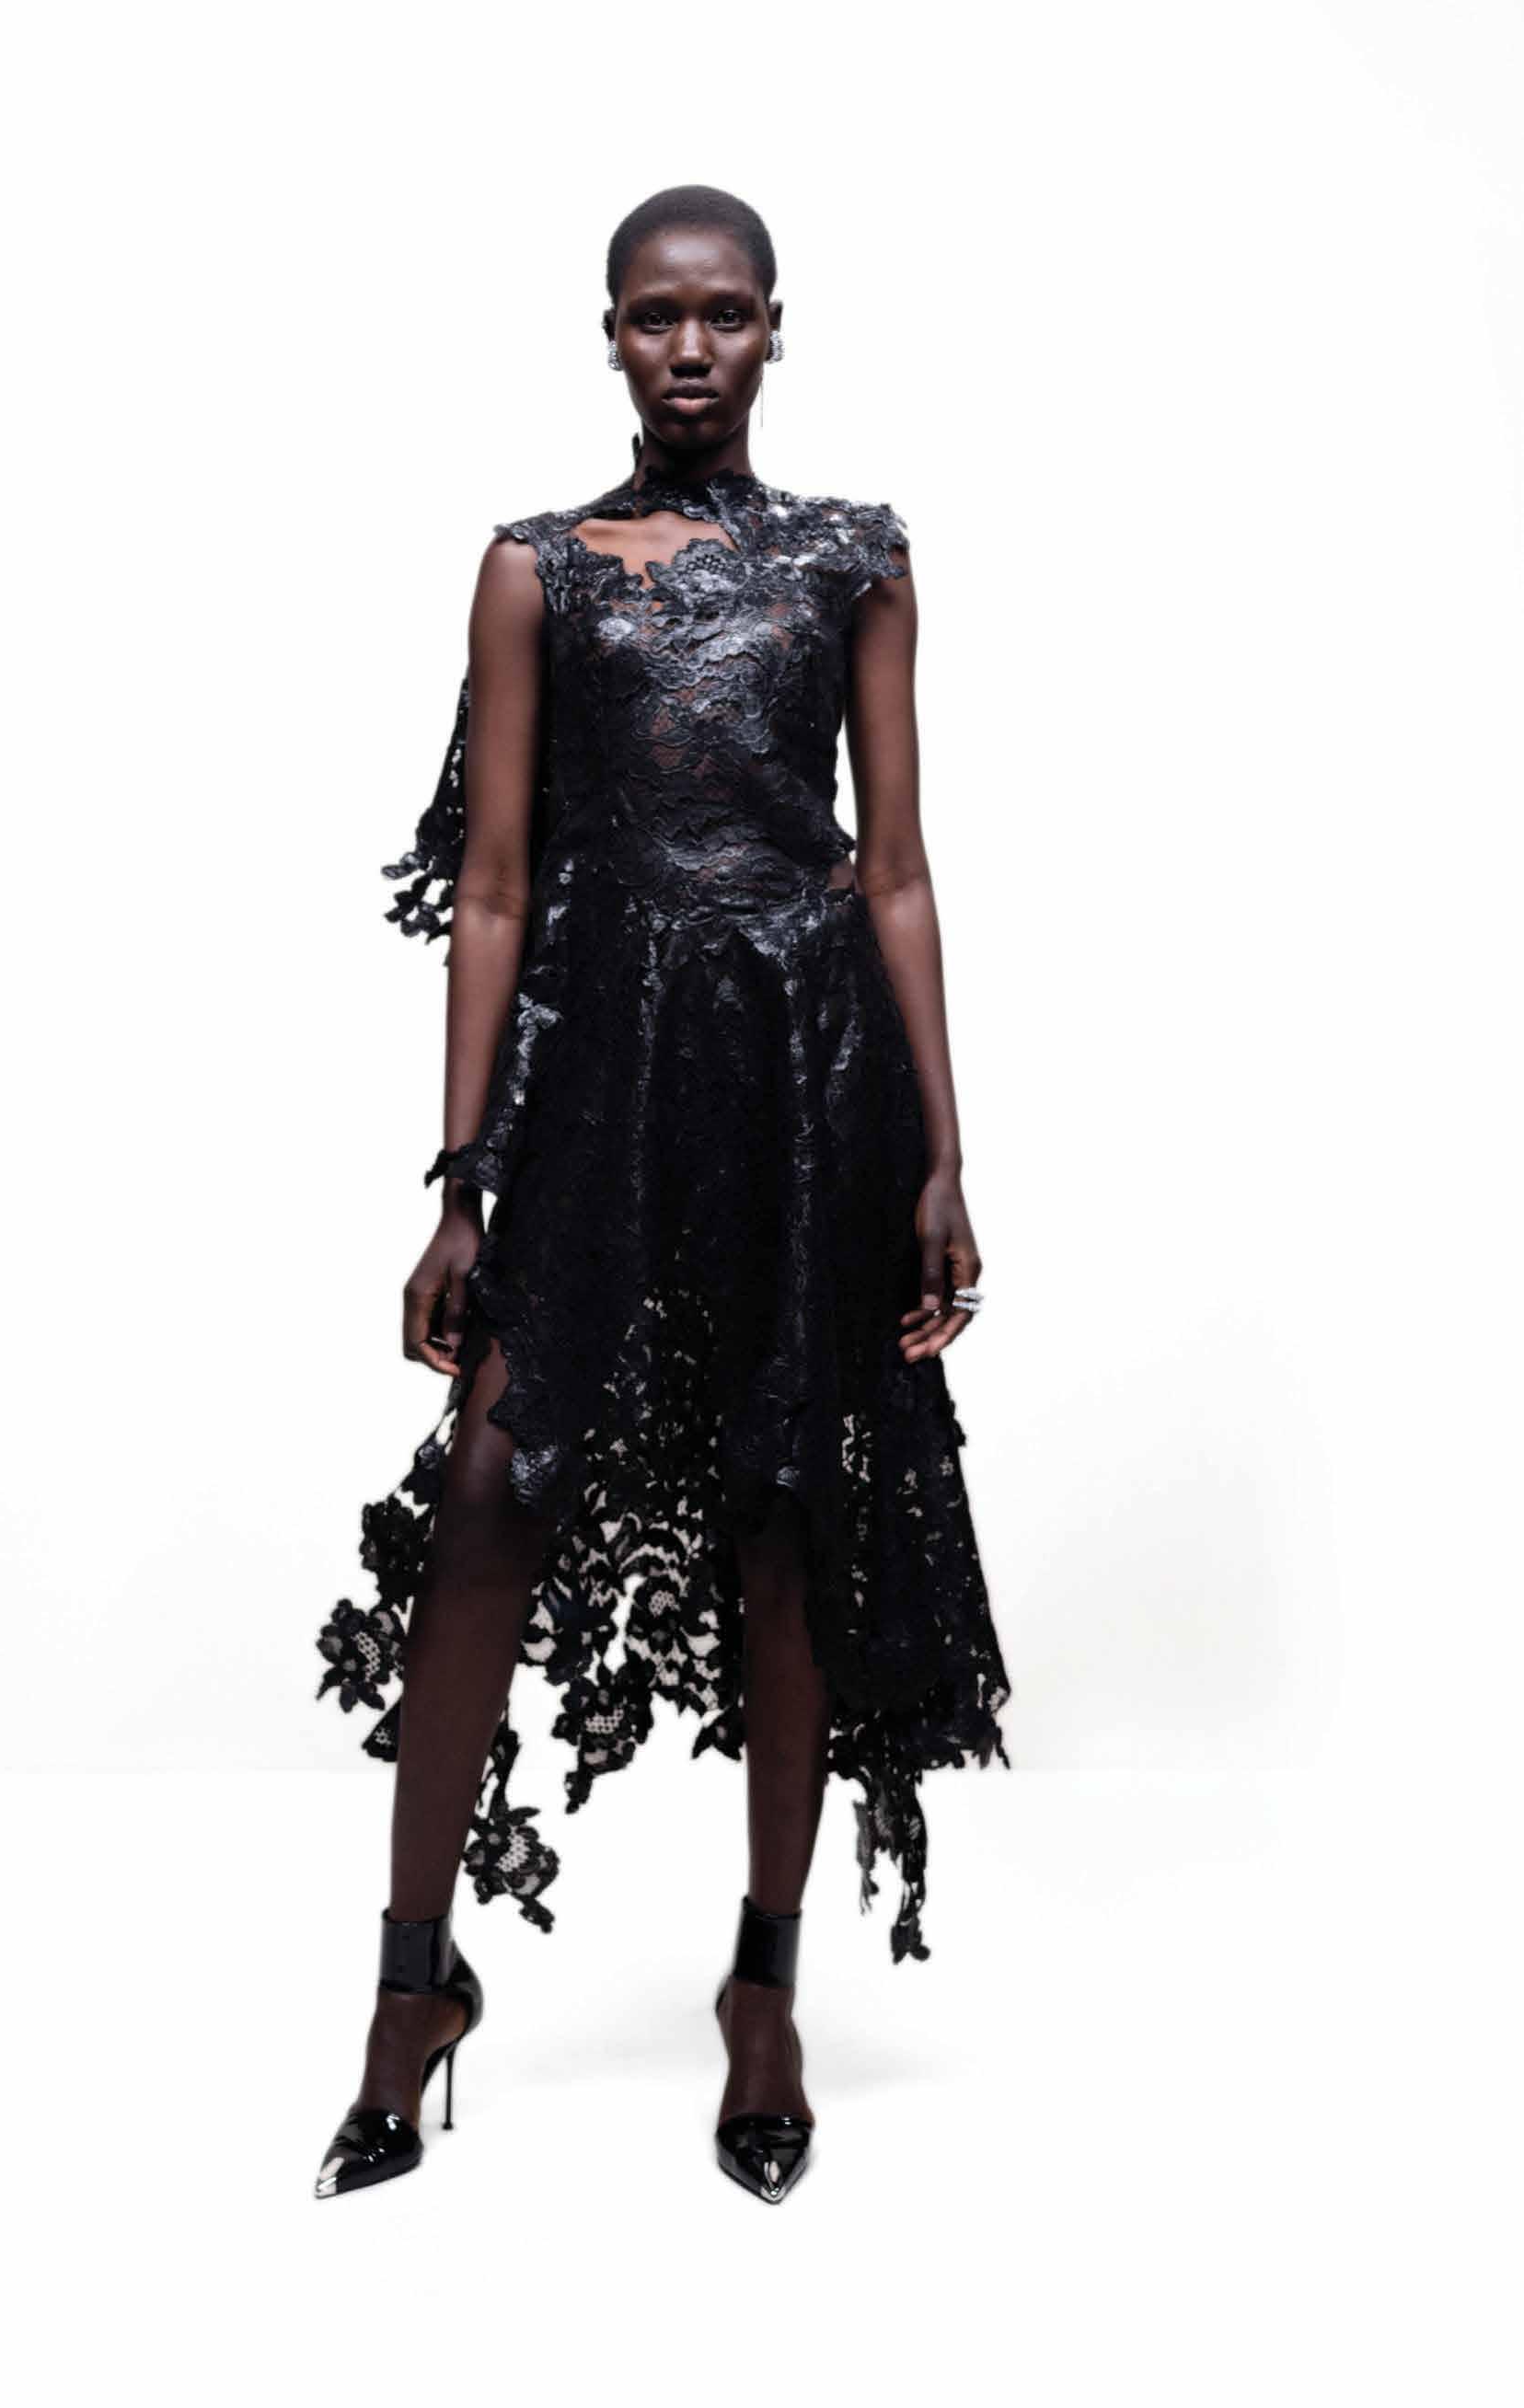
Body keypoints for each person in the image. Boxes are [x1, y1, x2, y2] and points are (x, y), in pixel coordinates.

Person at [315, 184, 1010, 2206]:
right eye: (652, 316)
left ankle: (764, 1991)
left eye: (722, 315)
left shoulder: (855, 559)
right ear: (608, 334)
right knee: (485, 1505)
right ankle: (411, 1985)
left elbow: (894, 865)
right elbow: (496, 887)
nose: (688, 348)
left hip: (805, 1088)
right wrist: (464, 1183)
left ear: (775, 328)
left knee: (787, 1523)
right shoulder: (534, 568)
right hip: (599, 1092)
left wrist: (944, 1151)